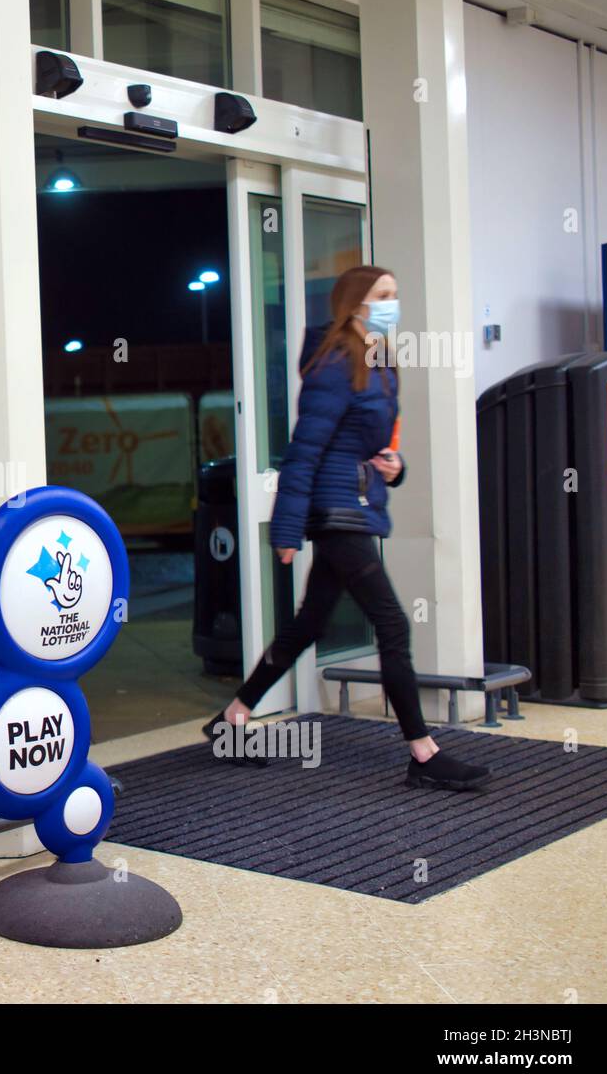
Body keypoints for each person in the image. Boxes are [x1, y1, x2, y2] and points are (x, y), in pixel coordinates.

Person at [203, 265, 490, 792]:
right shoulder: (335, 365)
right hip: (338, 514)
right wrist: (287, 530)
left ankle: (234, 717)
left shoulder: (377, 360)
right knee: (393, 624)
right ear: (355, 302)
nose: (391, 303)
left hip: (357, 504)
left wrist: (394, 467)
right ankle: (423, 755)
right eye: (382, 295)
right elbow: (304, 451)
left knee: (309, 624)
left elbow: (372, 444)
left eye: (395, 294)